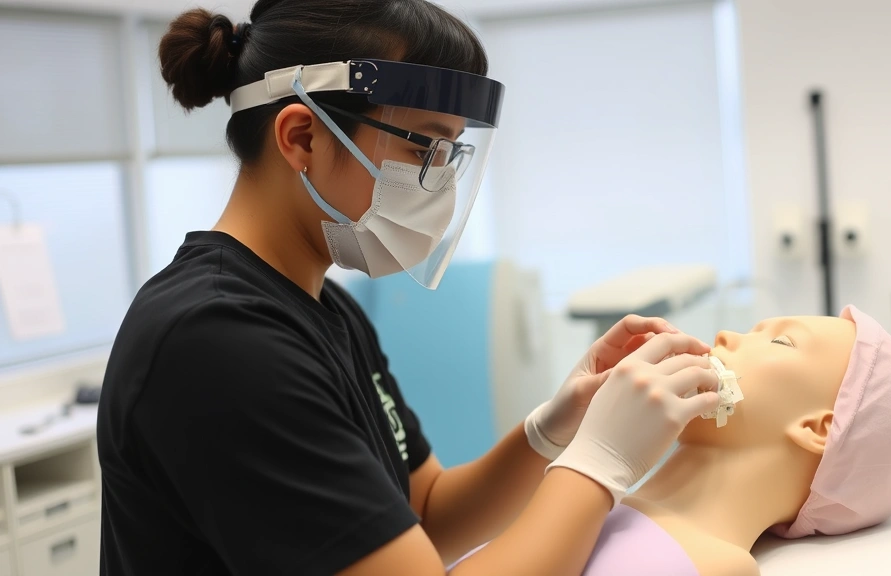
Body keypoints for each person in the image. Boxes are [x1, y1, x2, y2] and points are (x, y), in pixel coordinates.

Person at [95, 1, 724, 575]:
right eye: (426, 145)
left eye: (451, 153)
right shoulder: (216, 340)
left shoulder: (324, 305)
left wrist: (555, 430)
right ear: (302, 138)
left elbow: (424, 511)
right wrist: (600, 462)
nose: (440, 183)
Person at [454, 305, 891, 575]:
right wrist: (561, 440)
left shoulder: (716, 566)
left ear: (820, 429)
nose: (726, 334)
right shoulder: (576, 502)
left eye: (780, 341)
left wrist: (597, 460)